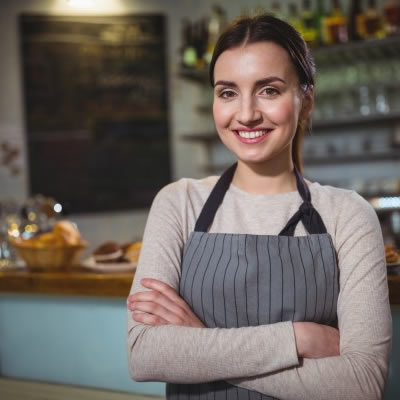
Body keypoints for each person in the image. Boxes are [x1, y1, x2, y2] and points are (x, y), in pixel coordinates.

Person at [127, 14, 392, 400]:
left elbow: (362, 384)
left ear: (306, 101)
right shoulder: (178, 202)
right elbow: (145, 355)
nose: (247, 113)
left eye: (269, 90)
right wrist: (297, 339)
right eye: (228, 92)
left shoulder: (348, 215)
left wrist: (200, 344)